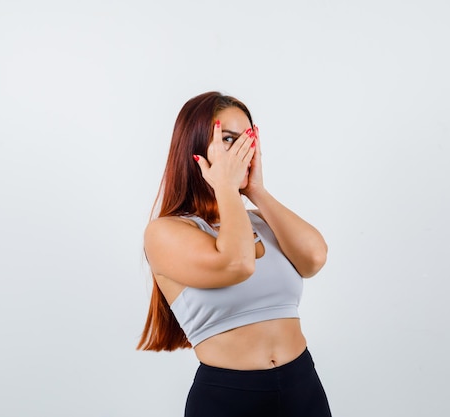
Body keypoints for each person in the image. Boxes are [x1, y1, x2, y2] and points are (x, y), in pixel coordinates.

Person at [137, 91, 332, 417]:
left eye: (248, 139)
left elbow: (314, 258)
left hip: (303, 386)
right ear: (197, 149)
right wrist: (226, 187)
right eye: (228, 139)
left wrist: (257, 190)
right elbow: (237, 264)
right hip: (229, 399)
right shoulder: (165, 233)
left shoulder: (260, 220)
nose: (243, 151)